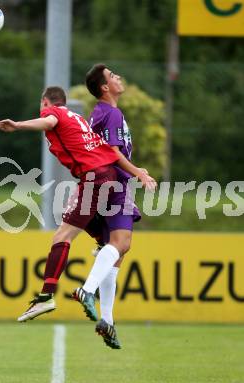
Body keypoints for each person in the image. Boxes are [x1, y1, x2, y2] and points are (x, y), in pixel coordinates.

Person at [0, 86, 156, 325]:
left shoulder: (56, 113)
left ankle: (46, 296)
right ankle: (104, 250)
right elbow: (103, 150)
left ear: (45, 102)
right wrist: (135, 172)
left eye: (42, 106)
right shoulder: (77, 118)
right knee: (107, 238)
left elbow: (48, 122)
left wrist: (17, 125)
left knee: (62, 236)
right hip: (107, 176)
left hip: (95, 178)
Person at [75, 64, 146, 349]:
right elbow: (114, 153)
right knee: (122, 243)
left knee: (114, 252)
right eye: (112, 75)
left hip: (97, 185)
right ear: (105, 87)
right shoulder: (112, 112)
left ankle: (108, 321)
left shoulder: (98, 113)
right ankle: (86, 290)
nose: (118, 77)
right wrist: (138, 172)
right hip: (115, 184)